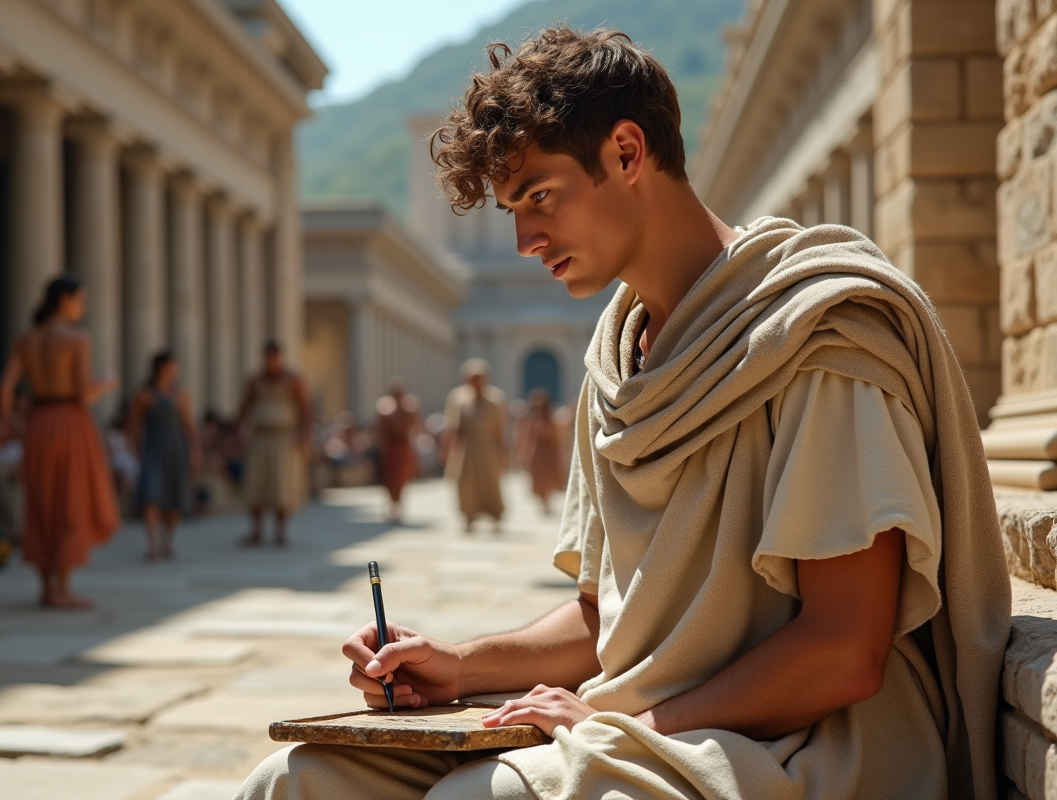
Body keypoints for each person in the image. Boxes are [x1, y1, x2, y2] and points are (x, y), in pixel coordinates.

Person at [236, 26, 1010, 800]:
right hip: (646, 722)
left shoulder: (816, 335)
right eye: (512, 210)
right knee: (296, 782)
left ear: (628, 152)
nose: (525, 241)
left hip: (812, 748)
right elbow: (605, 617)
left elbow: (842, 650)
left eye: (539, 197)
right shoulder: (615, 362)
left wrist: (609, 717)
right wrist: (459, 667)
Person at [0, 274, 119, 609]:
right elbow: (83, 392)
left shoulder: (26, 339)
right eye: (81, 300)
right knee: (70, 501)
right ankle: (62, 588)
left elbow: (6, 387)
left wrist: (7, 425)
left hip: (38, 423)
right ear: (65, 300)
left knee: (40, 502)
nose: (83, 307)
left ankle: (44, 588)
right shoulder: (77, 338)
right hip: (69, 422)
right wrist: (106, 383)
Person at [236, 341, 310, 548]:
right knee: (257, 483)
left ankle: (280, 531)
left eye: (274, 357)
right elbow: (245, 407)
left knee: (282, 485)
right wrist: (237, 431)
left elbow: (305, 409)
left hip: (284, 438)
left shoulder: (293, 379)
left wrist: (303, 436)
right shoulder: (255, 380)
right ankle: (256, 530)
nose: (270, 361)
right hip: (260, 436)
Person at [128, 350, 199, 560]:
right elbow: (134, 424)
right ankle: (152, 544)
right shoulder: (144, 394)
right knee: (151, 494)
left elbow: (188, 424)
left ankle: (167, 541)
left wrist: (195, 448)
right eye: (172, 366)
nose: (176, 370)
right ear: (161, 367)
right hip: (153, 447)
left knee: (173, 497)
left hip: (175, 447)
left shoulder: (180, 393)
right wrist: (135, 449)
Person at [443, 358, 508, 533]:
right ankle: (468, 516)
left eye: (480, 377)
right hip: (466, 449)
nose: (477, 381)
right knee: (466, 483)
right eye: (473, 377)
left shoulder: (495, 399)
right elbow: (453, 429)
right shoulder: (457, 399)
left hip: (488, 449)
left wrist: (503, 455)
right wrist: (449, 452)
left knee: (491, 482)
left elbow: (499, 431)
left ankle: (496, 514)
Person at [375, 378, 420, 524]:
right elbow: (380, 430)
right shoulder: (384, 408)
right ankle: (391, 503)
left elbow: (416, 427)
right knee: (389, 478)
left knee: (402, 476)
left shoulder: (411, 407)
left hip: (404, 445)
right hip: (390, 446)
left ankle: (399, 504)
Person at [519, 389, 564, 515]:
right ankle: (542, 500)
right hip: (537, 454)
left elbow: (557, 438)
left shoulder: (552, 419)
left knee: (548, 477)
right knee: (538, 478)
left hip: (548, 454)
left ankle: (547, 499)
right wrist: (525, 453)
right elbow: (528, 437)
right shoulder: (533, 419)